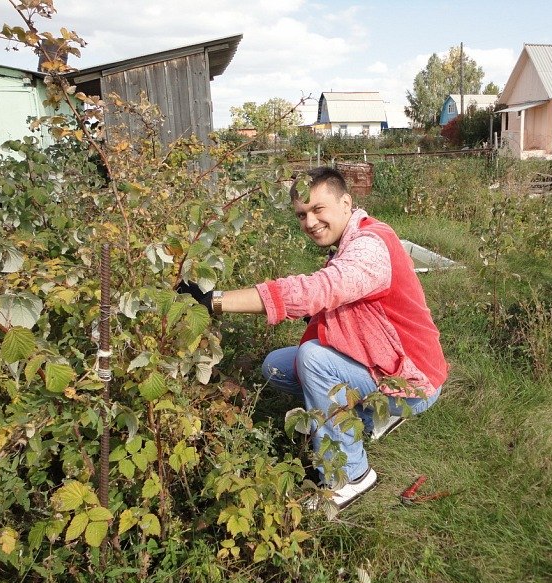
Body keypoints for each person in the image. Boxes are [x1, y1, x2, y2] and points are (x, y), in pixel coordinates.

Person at [176, 166, 447, 509]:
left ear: (346, 202)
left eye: (318, 210)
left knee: (313, 360)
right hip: (384, 360)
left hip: (414, 379)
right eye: (302, 215)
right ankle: (369, 417)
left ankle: (351, 475)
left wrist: (214, 299)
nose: (310, 222)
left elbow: (320, 289)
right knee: (276, 366)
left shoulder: (369, 247)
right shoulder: (353, 237)